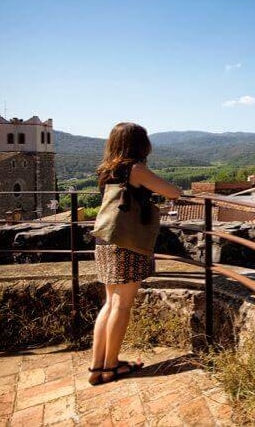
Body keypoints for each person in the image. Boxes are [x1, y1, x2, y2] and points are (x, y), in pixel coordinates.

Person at [88, 122, 181, 385]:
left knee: (109, 303)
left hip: (105, 240)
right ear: (140, 144)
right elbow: (173, 192)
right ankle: (111, 367)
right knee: (122, 304)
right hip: (126, 243)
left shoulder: (107, 170)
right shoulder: (135, 169)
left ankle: (98, 367)